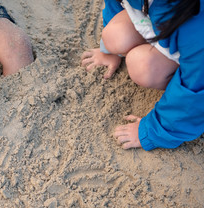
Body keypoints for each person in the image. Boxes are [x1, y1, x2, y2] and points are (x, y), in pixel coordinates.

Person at [81, 0, 204, 151]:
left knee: (142, 67)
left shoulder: (198, 25)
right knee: (115, 35)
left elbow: (198, 86)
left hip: (192, 43)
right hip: (164, 18)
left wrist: (155, 130)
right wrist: (109, 51)